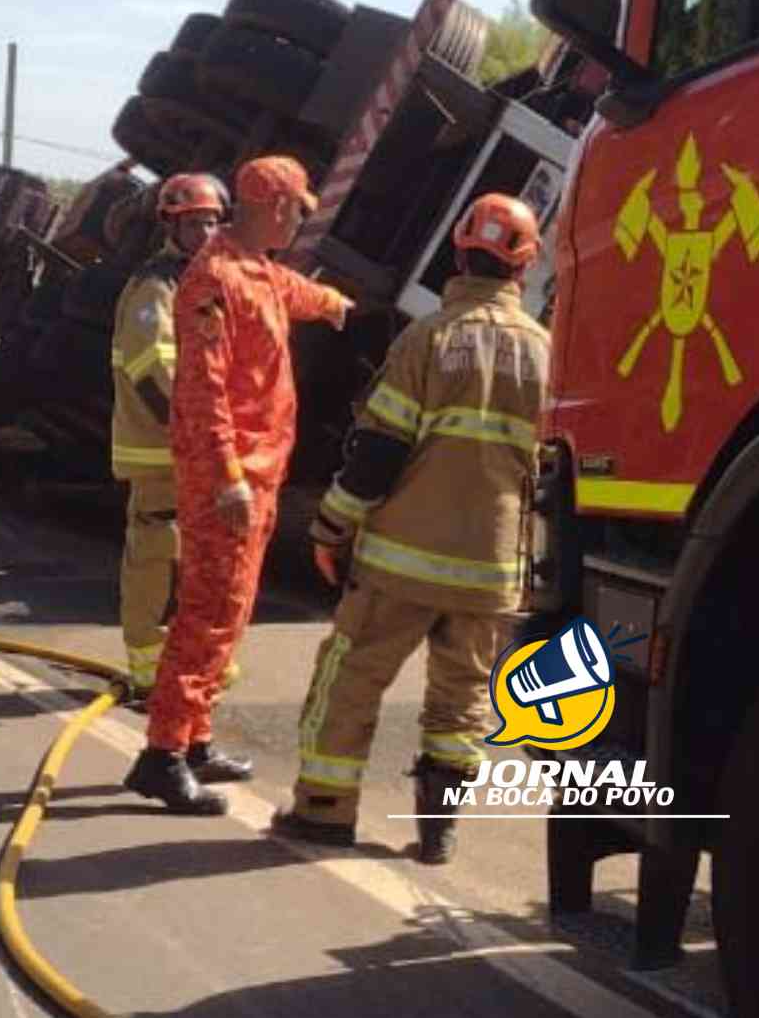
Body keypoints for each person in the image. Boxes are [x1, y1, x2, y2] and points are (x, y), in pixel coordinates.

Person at [272, 192, 551, 865]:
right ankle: (437, 833)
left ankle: (324, 812)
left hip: (403, 561)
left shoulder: (429, 337)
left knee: (350, 679)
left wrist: (330, 526)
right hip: (492, 572)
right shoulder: (547, 353)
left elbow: (378, 452)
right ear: (524, 266)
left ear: (460, 251)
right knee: (460, 705)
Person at [124, 156, 355, 815]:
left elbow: (289, 290)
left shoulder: (255, 270)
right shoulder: (214, 280)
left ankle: (195, 740)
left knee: (230, 611)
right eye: (294, 208)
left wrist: (332, 304)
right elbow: (202, 393)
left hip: (260, 473)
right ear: (272, 205)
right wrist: (226, 476)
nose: (298, 218)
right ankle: (162, 754)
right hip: (230, 479)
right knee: (206, 613)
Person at [110, 172, 226, 701]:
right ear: (170, 226)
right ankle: (148, 670)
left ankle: (191, 665)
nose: (204, 233)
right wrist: (192, 432)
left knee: (197, 562)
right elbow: (151, 366)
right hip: (162, 451)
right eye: (193, 224)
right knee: (157, 561)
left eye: (210, 222)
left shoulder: (205, 284)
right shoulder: (156, 286)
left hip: (199, 452)